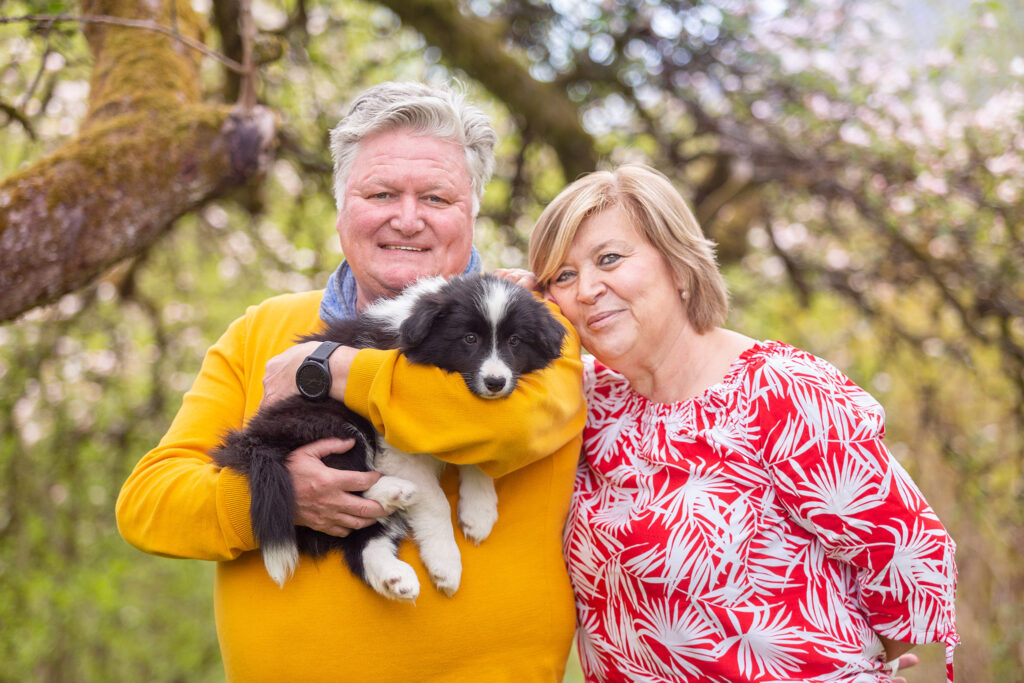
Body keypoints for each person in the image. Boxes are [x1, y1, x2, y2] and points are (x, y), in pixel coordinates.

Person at [115, 81, 587, 682]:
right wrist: (277, 498)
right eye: (381, 192)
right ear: (341, 207)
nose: (407, 218)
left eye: (437, 198)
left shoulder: (531, 328)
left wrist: (327, 369)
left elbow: (501, 421)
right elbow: (150, 503)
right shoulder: (263, 328)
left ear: (472, 211)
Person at [519, 163, 959, 682]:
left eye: (609, 258)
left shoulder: (780, 392)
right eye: (563, 276)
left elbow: (913, 560)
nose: (587, 289)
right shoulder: (582, 402)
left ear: (678, 266)